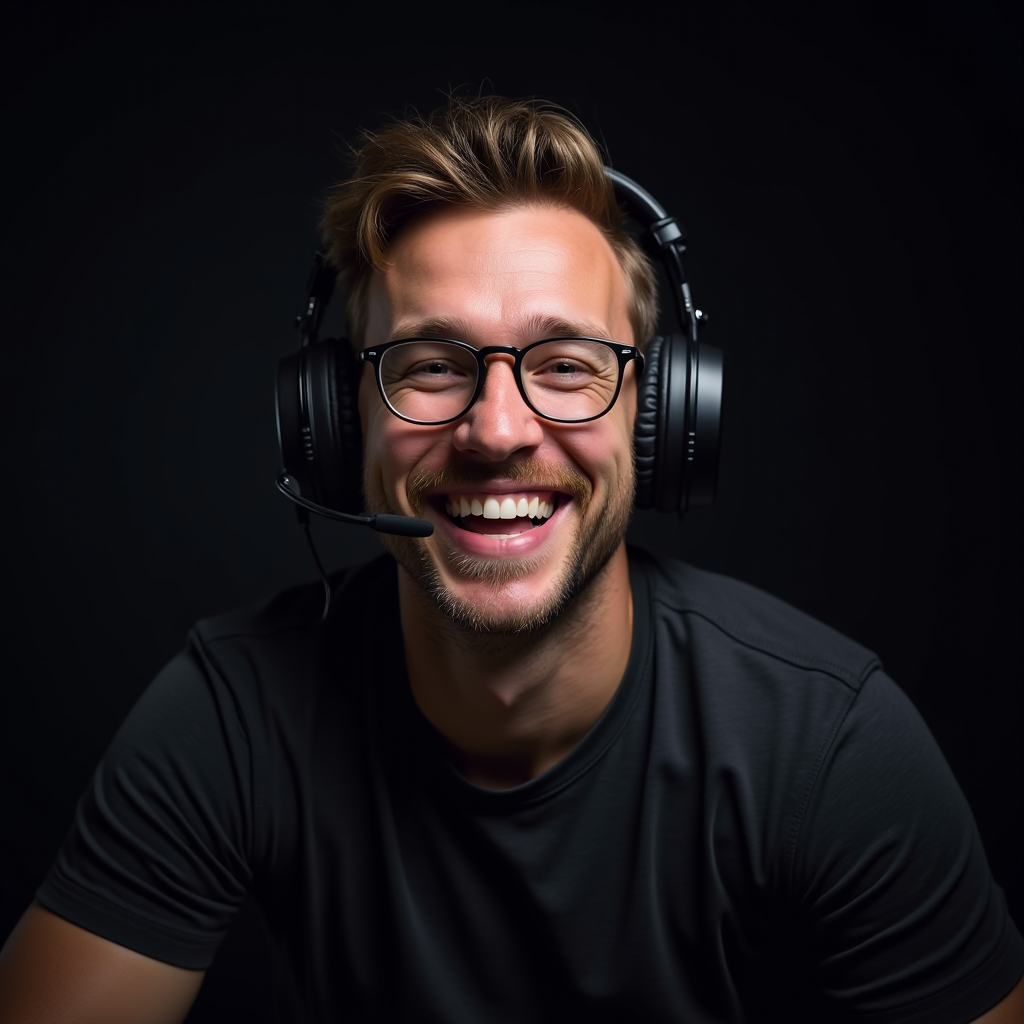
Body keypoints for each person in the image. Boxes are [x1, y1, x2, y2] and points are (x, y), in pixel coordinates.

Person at [1, 95, 1021, 1024]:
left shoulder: (830, 743)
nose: (497, 430)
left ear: (660, 419)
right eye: (432, 366)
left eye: (567, 366)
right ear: (331, 423)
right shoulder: (233, 711)